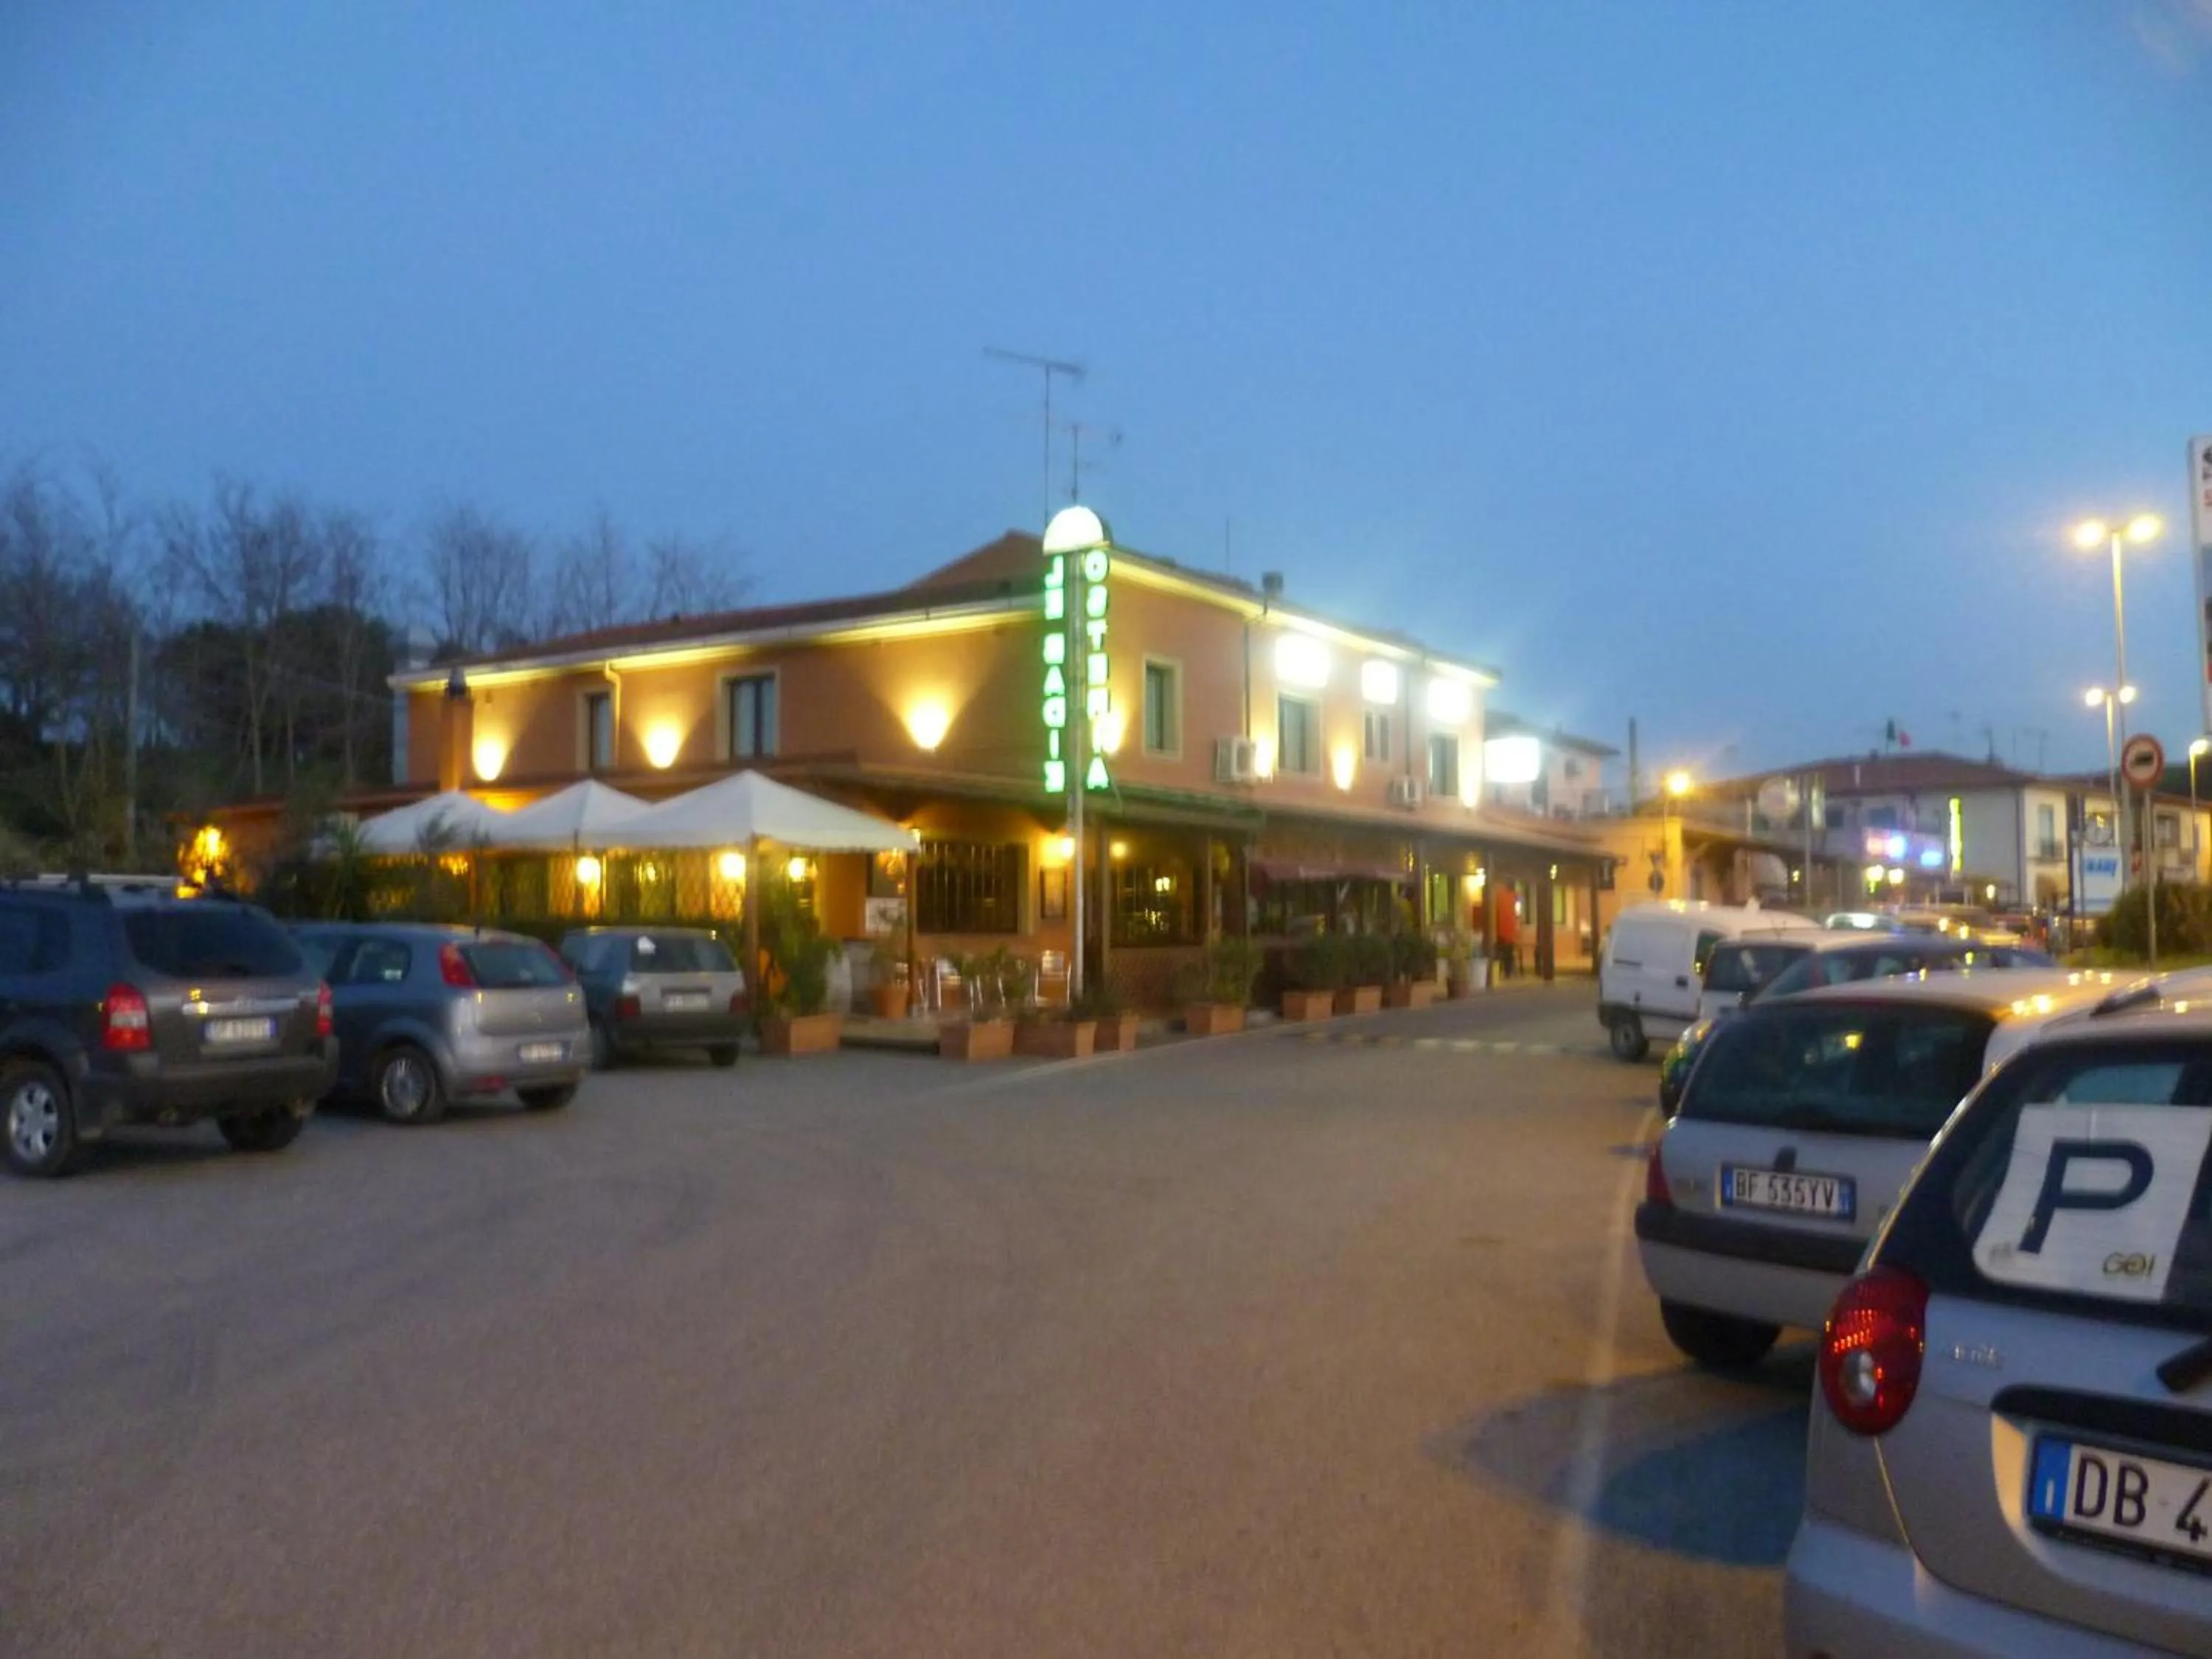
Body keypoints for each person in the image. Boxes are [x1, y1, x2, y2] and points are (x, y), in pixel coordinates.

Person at [1495, 894, 1520, 980]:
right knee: (1507, 955)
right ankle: (1506, 972)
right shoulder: (1513, 900)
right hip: (1507, 935)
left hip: (1502, 935)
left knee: (1503, 955)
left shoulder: (1500, 898)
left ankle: (1501, 972)